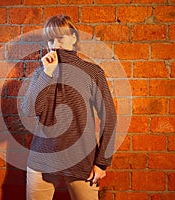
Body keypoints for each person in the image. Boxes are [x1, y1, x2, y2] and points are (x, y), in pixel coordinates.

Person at [20, 14, 117, 200]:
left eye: (60, 38)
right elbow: (28, 111)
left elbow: (109, 117)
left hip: (82, 160)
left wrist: (102, 163)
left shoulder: (92, 72)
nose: (54, 44)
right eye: (50, 40)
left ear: (73, 38)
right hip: (42, 159)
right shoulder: (41, 72)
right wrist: (47, 75)